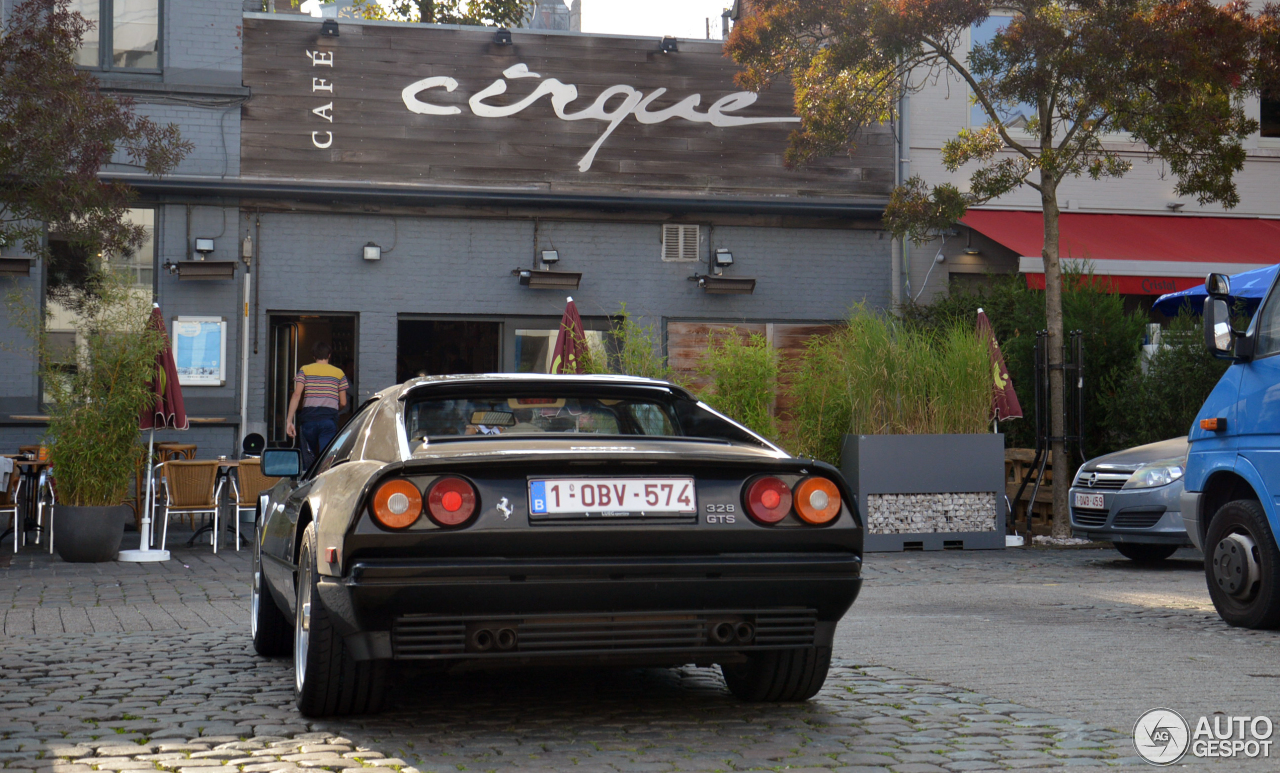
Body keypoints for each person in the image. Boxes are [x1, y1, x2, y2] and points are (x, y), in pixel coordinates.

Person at [286, 341, 349, 468]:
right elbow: (343, 402)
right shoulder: (339, 373)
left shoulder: (305, 370)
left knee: (308, 461)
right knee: (325, 460)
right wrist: (335, 410)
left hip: (309, 420)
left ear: (313, 356)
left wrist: (289, 421)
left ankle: (307, 483)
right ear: (329, 355)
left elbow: (296, 395)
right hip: (328, 420)